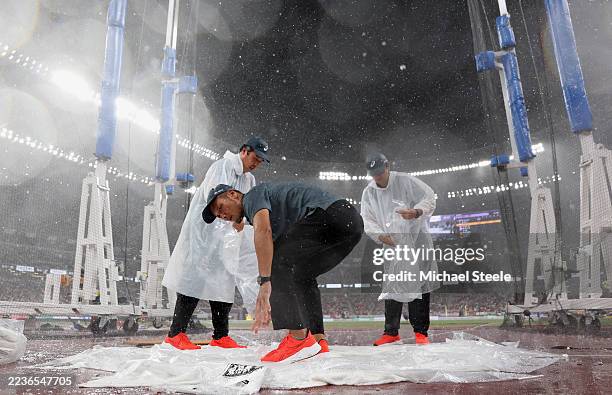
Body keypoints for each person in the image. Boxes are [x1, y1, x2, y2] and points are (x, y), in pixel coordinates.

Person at [202, 182, 363, 362]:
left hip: (330, 214)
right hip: (351, 225)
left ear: (233, 194)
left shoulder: (252, 197)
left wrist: (265, 282)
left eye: (220, 207)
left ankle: (298, 339)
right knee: (301, 274)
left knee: (277, 262)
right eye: (218, 215)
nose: (222, 215)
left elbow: (263, 231)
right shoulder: (277, 214)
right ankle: (317, 339)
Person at [161, 137, 270, 350]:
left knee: (223, 282)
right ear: (244, 151)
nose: (256, 163)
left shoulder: (249, 180)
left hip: (226, 238)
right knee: (194, 278)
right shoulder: (223, 167)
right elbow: (218, 201)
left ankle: (221, 336)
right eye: (255, 158)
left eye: (261, 161)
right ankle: (176, 334)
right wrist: (237, 220)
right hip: (204, 232)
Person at [360, 153, 439, 346]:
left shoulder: (404, 181)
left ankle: (421, 332)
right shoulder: (369, 192)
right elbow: (367, 218)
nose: (377, 177)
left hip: (416, 238)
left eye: (380, 172)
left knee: (419, 284)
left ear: (387, 166)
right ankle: (391, 332)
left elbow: (429, 197)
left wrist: (416, 211)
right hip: (392, 241)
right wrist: (380, 235)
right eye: (374, 174)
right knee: (393, 283)